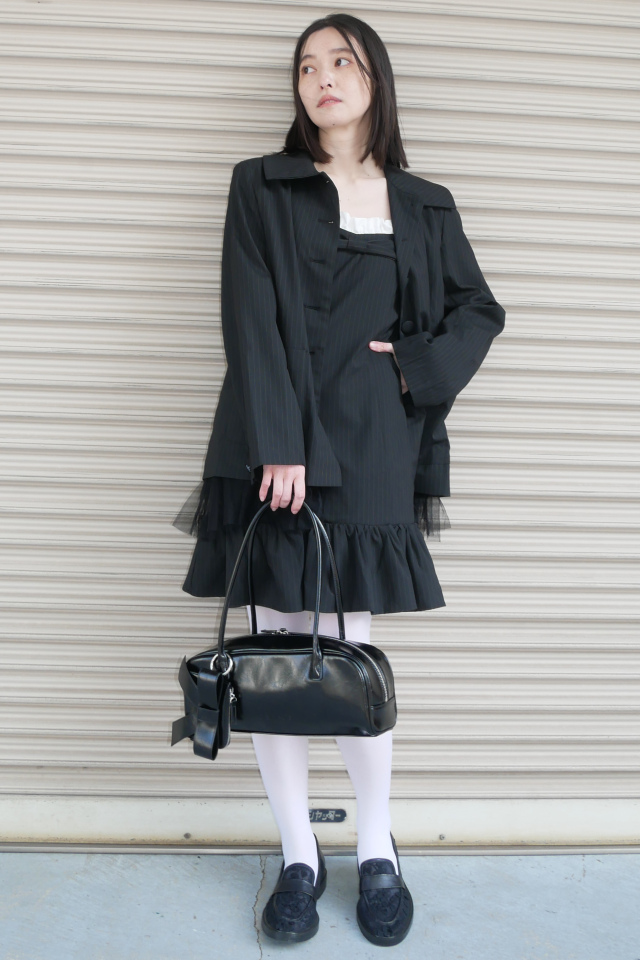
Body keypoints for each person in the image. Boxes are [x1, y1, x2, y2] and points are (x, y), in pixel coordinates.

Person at [173, 12, 506, 947]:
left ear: (374, 80)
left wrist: (411, 370)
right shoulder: (262, 186)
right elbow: (250, 317)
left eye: (342, 62)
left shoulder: (425, 203)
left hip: (372, 447)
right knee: (278, 652)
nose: (323, 78)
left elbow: (479, 309)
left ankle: (376, 848)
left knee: (350, 652)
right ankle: (297, 856)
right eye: (307, 66)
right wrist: (280, 443)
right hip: (272, 441)